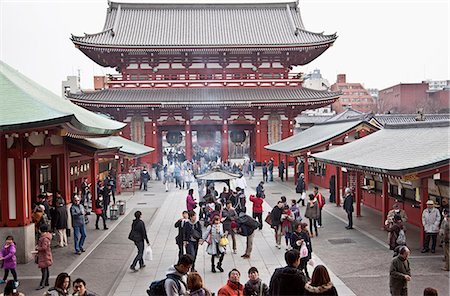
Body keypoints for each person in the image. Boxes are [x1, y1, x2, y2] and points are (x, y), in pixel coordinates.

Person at [34, 225, 53, 290]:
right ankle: (46, 282)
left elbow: (44, 248)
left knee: (44, 270)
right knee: (46, 269)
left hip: (44, 256)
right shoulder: (46, 237)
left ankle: (42, 284)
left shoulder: (44, 238)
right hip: (46, 255)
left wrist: (37, 248)